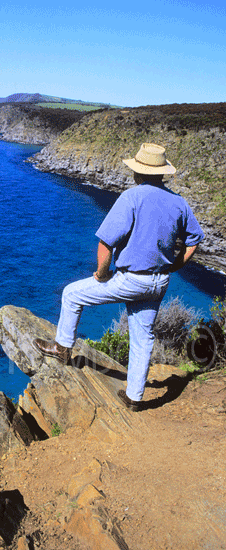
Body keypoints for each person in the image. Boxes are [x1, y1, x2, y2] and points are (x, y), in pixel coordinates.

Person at [34, 143, 205, 411]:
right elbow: (195, 240)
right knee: (142, 337)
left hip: (131, 280)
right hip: (159, 282)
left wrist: (102, 274)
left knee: (71, 294)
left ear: (138, 172)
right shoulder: (178, 203)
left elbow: (106, 244)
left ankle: (62, 348)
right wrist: (175, 266)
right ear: (161, 174)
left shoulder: (131, 197)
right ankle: (135, 398)